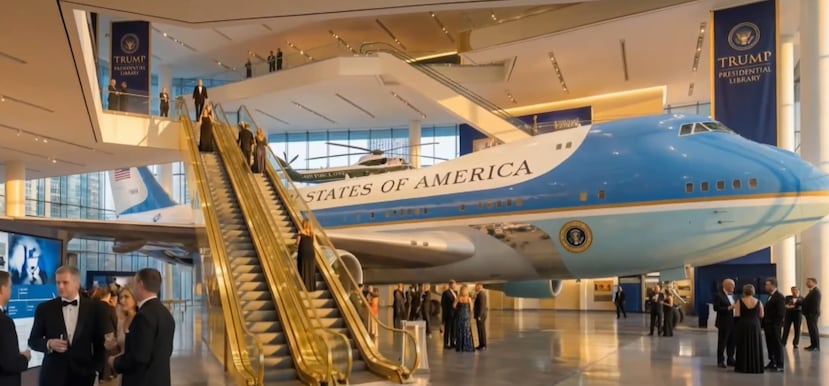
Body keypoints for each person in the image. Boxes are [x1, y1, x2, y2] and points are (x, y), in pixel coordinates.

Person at [28, 265, 112, 386]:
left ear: (77, 284)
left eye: (65, 282)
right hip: (52, 376)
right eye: (58, 283)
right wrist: (49, 343)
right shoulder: (44, 309)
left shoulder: (95, 308)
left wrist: (96, 369)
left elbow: (100, 343)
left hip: (84, 375)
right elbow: (33, 340)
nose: (60, 286)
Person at [111, 268, 176, 386]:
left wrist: (115, 362)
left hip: (142, 380)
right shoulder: (166, 314)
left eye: (134, 283)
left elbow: (139, 358)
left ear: (140, 284)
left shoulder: (143, 317)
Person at [0, 271, 31, 386]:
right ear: (2, 289)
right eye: (10, 287)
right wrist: (25, 357)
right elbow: (10, 364)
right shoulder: (5, 322)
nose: (10, 290)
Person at [734, 284, 764, 374]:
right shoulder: (759, 301)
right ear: (753, 291)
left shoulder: (739, 301)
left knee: (743, 345)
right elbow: (761, 315)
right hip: (755, 324)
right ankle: (755, 367)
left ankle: (743, 367)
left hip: (743, 324)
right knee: (755, 345)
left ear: (744, 291)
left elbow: (737, 314)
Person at [90, 287, 118, 383]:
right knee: (108, 354)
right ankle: (108, 374)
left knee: (99, 353)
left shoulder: (92, 306)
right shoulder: (109, 307)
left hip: (96, 334)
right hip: (109, 333)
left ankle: (100, 375)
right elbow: (115, 321)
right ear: (108, 295)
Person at [762, 278, 785, 372]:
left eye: (767, 285)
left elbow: (781, 313)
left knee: (777, 344)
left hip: (774, 325)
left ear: (773, 285)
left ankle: (780, 364)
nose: (765, 286)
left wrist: (775, 324)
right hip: (768, 325)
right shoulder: (770, 296)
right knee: (770, 344)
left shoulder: (779, 296)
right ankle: (772, 361)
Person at [714, 278, 737, 368]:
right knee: (722, 342)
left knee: (732, 342)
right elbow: (716, 308)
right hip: (724, 323)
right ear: (726, 285)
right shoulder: (719, 295)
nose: (733, 287)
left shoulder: (733, 295)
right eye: (732, 285)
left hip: (733, 322)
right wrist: (729, 308)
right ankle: (720, 360)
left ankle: (730, 359)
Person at [296, 219, 317, 292]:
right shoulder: (312, 233)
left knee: (303, 268)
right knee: (310, 269)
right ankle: (311, 287)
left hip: (303, 252)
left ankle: (303, 286)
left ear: (303, 224)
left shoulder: (300, 232)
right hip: (311, 253)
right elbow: (314, 243)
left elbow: (298, 243)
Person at [454, 284, 474, 352]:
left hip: (460, 315)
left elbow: (453, 306)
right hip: (466, 316)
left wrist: (458, 309)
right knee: (467, 331)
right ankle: (467, 346)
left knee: (460, 330)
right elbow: (471, 309)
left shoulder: (458, 298)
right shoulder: (469, 299)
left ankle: (460, 347)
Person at [803, 277, 821, 351]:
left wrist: (811, 313)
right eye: (807, 282)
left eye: (809, 282)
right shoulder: (811, 291)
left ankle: (816, 346)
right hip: (809, 314)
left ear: (814, 282)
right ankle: (813, 345)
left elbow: (815, 304)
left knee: (814, 330)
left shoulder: (816, 292)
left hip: (812, 314)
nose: (807, 283)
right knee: (811, 330)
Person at [441, 281, 458, 349]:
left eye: (455, 284)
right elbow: (443, 304)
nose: (454, 286)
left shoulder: (456, 292)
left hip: (454, 314)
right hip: (448, 313)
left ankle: (452, 342)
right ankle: (446, 343)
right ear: (450, 285)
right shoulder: (446, 293)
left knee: (453, 329)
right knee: (447, 329)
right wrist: (445, 313)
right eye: (453, 284)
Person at [473, 283, 488, 351]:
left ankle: (483, 345)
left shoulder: (481, 294)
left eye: (476, 286)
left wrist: (479, 315)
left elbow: (481, 306)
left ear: (479, 286)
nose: (475, 288)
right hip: (481, 315)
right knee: (480, 330)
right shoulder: (481, 293)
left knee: (481, 330)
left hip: (480, 315)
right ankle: (481, 344)